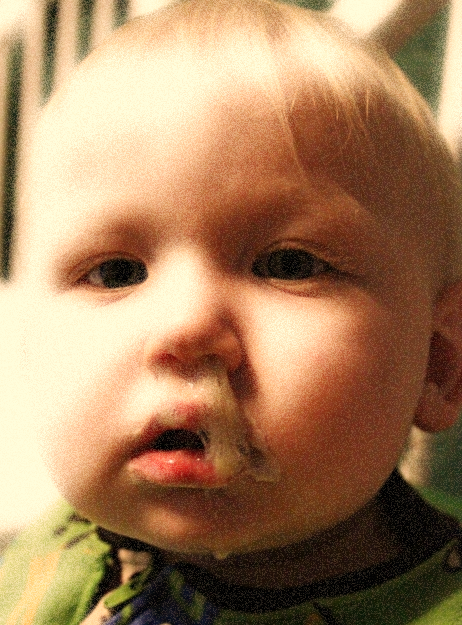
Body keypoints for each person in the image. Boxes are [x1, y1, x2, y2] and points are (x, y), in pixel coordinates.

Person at [2, 0, 462, 622]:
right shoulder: (49, 561)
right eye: (116, 273)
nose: (186, 326)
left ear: (438, 363)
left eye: (288, 264)